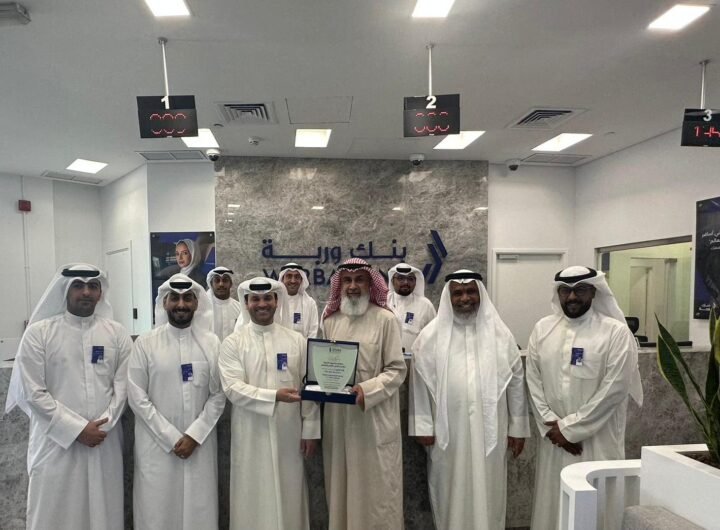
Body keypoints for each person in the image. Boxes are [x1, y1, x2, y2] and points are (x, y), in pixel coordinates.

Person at [5, 264, 131, 530]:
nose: (86, 292)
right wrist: (77, 430)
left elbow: (123, 388)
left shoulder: (117, 334)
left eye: (93, 286)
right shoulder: (39, 334)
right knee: (55, 514)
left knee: (102, 512)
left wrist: (101, 427)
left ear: (100, 293)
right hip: (54, 443)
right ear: (65, 290)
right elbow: (34, 392)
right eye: (78, 285)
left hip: (103, 442)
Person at [525, 266, 643, 530]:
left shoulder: (615, 332)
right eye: (565, 291)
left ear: (594, 291)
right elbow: (533, 380)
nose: (572, 297)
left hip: (598, 441)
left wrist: (570, 430)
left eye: (580, 290)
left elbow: (615, 389)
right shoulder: (543, 329)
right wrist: (551, 425)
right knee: (553, 503)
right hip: (554, 440)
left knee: (597, 505)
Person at [411, 270, 530, 529]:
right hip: (447, 434)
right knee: (448, 486)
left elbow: (516, 381)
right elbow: (419, 382)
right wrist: (422, 425)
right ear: (449, 297)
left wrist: (518, 428)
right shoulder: (429, 337)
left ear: (480, 294)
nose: (465, 298)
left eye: (470, 292)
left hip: (491, 431)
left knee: (489, 487)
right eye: (458, 293)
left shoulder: (501, 335)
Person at [219, 277, 320, 530]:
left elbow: (309, 386)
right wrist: (274, 396)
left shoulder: (296, 340)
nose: (262, 304)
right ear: (246, 303)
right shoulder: (233, 343)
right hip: (250, 434)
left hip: (289, 432)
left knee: (290, 491)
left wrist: (310, 429)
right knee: (252, 495)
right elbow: (232, 388)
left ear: (277, 301)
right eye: (255, 299)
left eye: (267, 298)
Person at [128, 274, 226, 530]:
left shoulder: (211, 343)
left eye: (187, 298)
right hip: (156, 447)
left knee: (199, 511)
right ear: (164, 302)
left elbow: (219, 394)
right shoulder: (145, 344)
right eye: (175, 298)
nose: (181, 304)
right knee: (157, 511)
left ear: (197, 303)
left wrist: (195, 435)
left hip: (199, 445)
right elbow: (137, 396)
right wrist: (171, 437)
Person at [321, 258, 406, 530]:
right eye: (347, 280)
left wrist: (367, 390)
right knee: (341, 489)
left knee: (377, 493)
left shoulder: (386, 320)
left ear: (371, 283)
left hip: (374, 421)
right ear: (339, 285)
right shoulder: (330, 321)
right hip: (339, 421)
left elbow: (397, 370)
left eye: (359, 279)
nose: (353, 286)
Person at [387, 263, 436, 355]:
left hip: (416, 361)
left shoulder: (425, 305)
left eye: (410, 279)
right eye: (400, 278)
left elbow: (434, 336)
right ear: (392, 281)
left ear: (415, 282)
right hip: (386, 360)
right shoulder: (384, 302)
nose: (406, 282)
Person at [279, 263, 319, 339]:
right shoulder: (275, 302)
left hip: (302, 346)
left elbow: (313, 332)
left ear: (301, 280)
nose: (293, 281)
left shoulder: (310, 303)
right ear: (282, 279)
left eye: (297, 277)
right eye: (289, 276)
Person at [206, 266, 243, 340]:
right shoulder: (204, 308)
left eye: (225, 280)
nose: (221, 284)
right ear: (211, 284)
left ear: (231, 283)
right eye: (217, 280)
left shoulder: (239, 308)